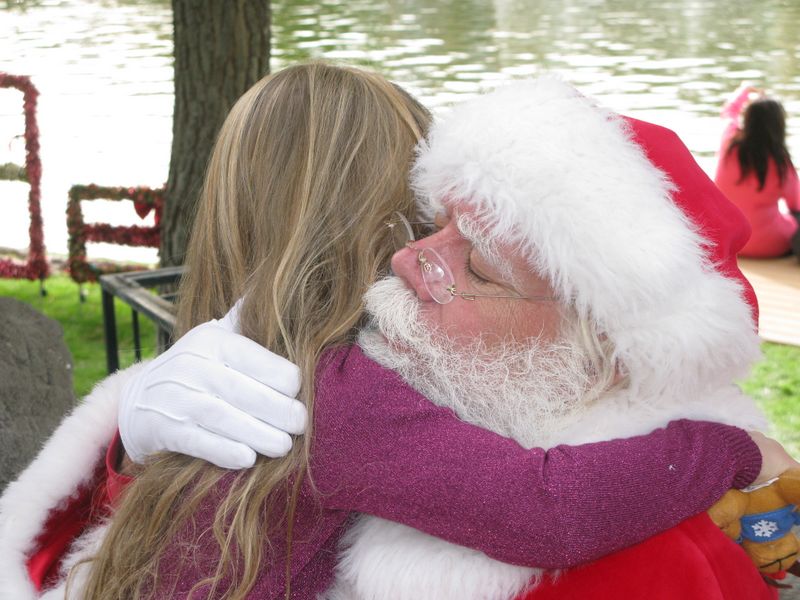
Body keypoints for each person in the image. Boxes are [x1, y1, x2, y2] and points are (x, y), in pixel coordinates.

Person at [0, 69, 794, 599]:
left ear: (598, 356)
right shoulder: (340, 379)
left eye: (477, 266)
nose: (411, 259)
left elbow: (543, 505)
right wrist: (133, 430)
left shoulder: (650, 551)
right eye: (432, 223)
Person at [714, 84, 800, 258]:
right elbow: (796, 204)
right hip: (771, 245)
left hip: (729, 240)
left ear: (747, 120)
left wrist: (744, 91)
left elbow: (729, 111)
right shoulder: (780, 162)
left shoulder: (728, 141)